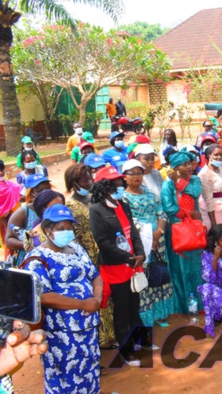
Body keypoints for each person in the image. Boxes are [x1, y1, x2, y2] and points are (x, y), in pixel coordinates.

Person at [24, 204, 102, 393]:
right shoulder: (37, 258)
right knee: (65, 376)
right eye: (61, 229)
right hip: (62, 332)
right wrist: (83, 303)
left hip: (88, 326)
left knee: (89, 369)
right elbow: (42, 295)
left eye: (69, 228)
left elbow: (95, 275)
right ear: (47, 230)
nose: (66, 232)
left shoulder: (76, 249)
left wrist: (97, 299)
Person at [89, 166, 149, 366]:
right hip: (116, 267)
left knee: (135, 304)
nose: (119, 186)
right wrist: (129, 257)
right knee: (122, 309)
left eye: (119, 183)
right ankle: (127, 350)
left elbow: (133, 232)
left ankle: (141, 340)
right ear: (104, 187)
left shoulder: (123, 204)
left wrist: (140, 253)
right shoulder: (96, 210)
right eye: (114, 184)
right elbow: (103, 242)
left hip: (133, 263)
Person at [64, 163, 117, 351]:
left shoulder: (93, 200)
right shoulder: (71, 205)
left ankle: (111, 334)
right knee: (96, 294)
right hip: (87, 256)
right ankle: (102, 338)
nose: (88, 181)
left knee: (107, 294)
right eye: (83, 179)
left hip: (103, 252)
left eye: (89, 177)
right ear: (74, 183)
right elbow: (74, 236)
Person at [122, 160, 175, 329]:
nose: (137, 176)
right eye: (132, 173)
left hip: (157, 242)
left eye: (139, 172)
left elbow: (161, 213)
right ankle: (146, 316)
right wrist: (146, 238)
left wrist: (158, 231)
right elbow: (129, 222)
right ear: (125, 176)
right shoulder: (123, 198)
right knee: (145, 277)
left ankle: (160, 313)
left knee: (159, 273)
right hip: (140, 245)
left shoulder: (149, 193)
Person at [160, 151, 205, 312]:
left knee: (196, 266)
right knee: (180, 269)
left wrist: (178, 180)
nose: (189, 167)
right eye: (184, 164)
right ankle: (184, 306)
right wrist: (188, 215)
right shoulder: (167, 185)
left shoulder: (195, 180)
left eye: (189, 163)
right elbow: (169, 207)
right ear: (175, 167)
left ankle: (199, 303)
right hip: (177, 230)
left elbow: (194, 192)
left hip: (194, 229)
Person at [5, 174, 51, 266]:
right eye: (39, 191)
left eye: (47, 189)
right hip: (29, 260)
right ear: (31, 193)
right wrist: (31, 245)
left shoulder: (53, 208)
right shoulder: (23, 212)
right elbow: (9, 240)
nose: (44, 193)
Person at [199, 144, 222, 227]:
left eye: (221, 154)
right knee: (218, 235)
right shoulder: (205, 174)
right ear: (209, 156)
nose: (219, 157)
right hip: (212, 211)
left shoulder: (219, 168)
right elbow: (208, 200)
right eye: (216, 155)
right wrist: (213, 223)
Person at [0, 160, 21, 256]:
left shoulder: (12, 186)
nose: (0, 173)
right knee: (8, 243)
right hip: (3, 220)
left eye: (1, 169)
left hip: (14, 218)